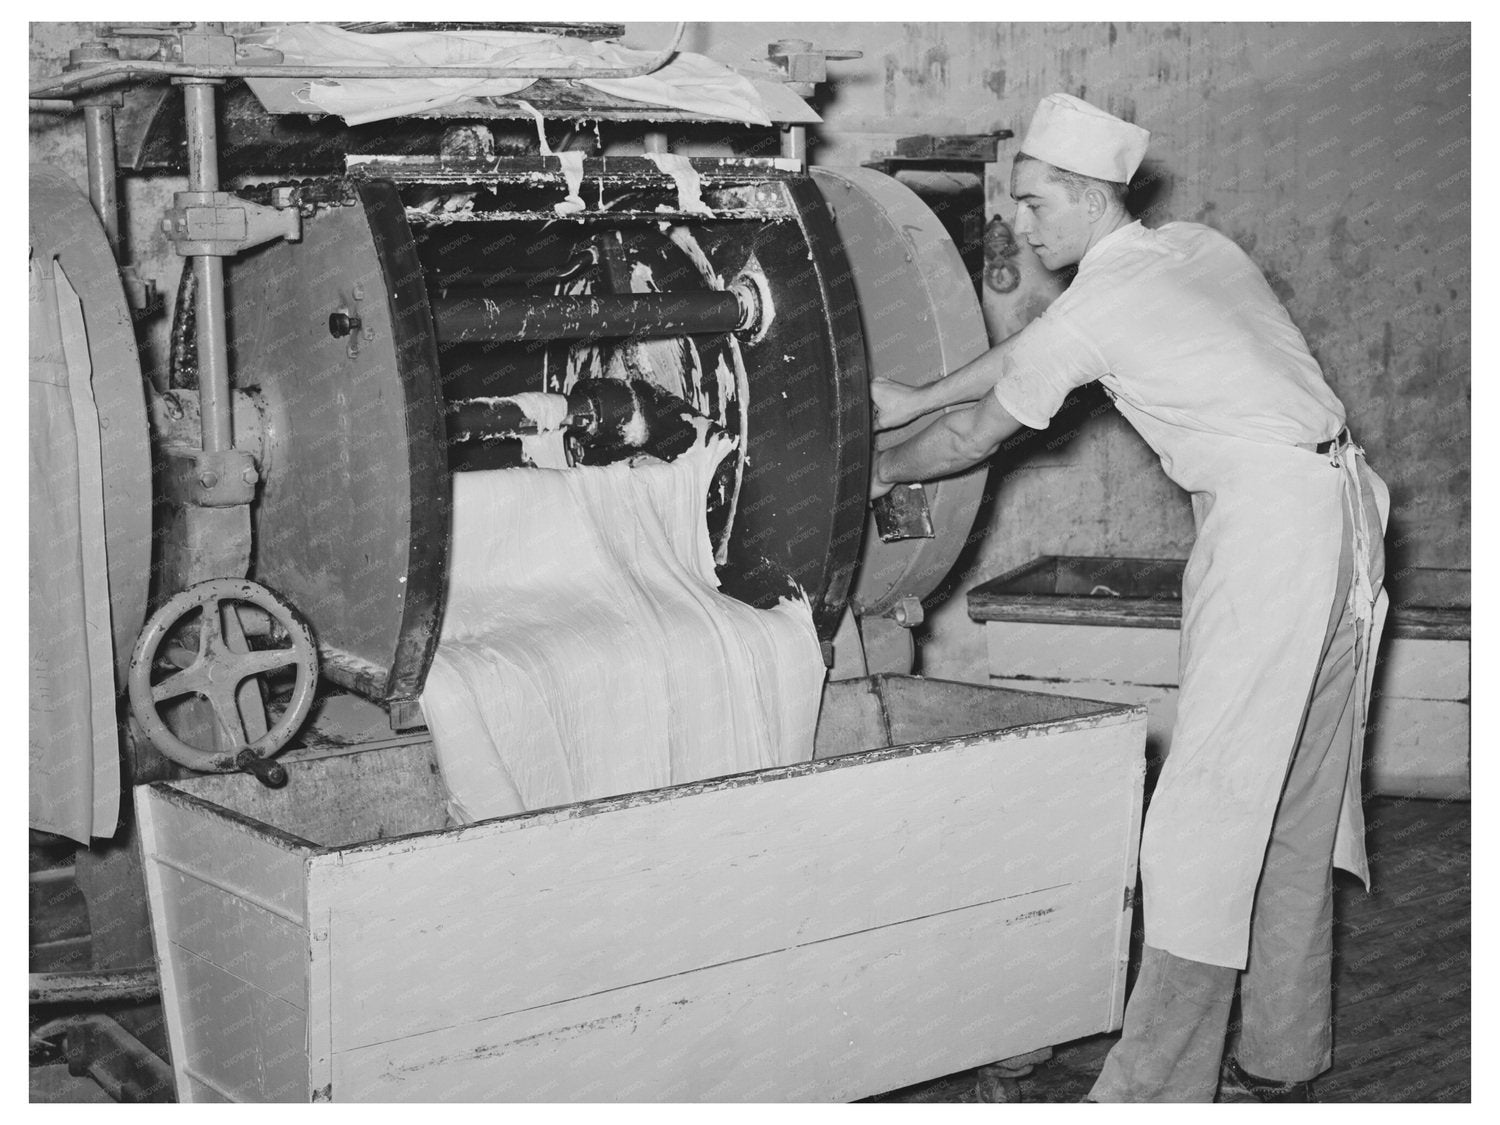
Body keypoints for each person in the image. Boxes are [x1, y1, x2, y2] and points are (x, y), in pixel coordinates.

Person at [870, 93, 1389, 1103]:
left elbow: (980, 436)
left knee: (1203, 821)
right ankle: (1281, 1056)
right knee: (1295, 801)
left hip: (1274, 536)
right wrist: (921, 395)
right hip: (1344, 514)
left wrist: (878, 467)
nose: (1018, 223)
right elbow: (1030, 354)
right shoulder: (1191, 246)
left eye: (1031, 202)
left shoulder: (1100, 303)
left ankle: (1151, 1092)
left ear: (1087, 198)